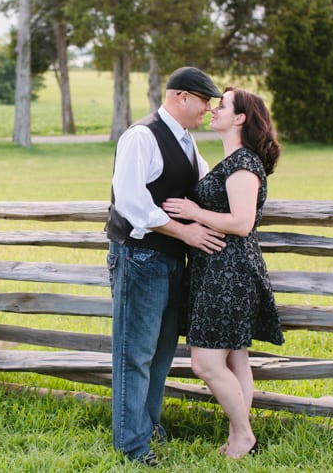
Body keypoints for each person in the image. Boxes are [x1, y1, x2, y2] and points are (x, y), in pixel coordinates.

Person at [106, 66, 227, 466]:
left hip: (172, 258)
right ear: (181, 97)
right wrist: (186, 233)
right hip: (140, 257)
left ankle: (148, 427)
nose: (207, 110)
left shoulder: (188, 143)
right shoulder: (142, 136)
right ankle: (132, 446)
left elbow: (209, 186)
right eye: (203, 101)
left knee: (160, 354)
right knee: (135, 353)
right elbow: (132, 202)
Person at [162, 86, 285, 459]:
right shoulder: (232, 160)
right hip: (217, 269)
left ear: (241, 118)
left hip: (229, 273)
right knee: (235, 359)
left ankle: (244, 436)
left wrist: (192, 212)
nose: (213, 110)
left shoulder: (243, 164)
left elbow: (242, 222)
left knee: (205, 362)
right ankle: (237, 439)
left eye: (222, 106)